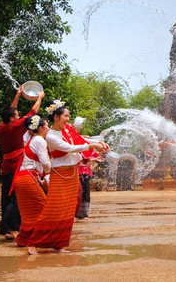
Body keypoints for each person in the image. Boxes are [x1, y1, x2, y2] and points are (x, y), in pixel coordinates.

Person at [28, 100, 107, 251]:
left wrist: (98, 142)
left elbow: (81, 140)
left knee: (68, 211)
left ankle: (59, 243)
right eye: (66, 115)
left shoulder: (67, 130)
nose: (68, 119)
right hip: (60, 175)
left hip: (72, 173)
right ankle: (33, 242)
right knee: (53, 209)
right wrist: (92, 146)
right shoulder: (51, 136)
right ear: (56, 117)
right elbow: (70, 148)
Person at [0, 87, 45, 240]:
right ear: (12, 119)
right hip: (17, 165)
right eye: (16, 115)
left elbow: (12, 110)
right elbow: (32, 115)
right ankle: (12, 227)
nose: (18, 115)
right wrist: (40, 98)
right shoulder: (15, 127)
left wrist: (17, 95)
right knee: (15, 198)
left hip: (6, 165)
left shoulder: (1, 127)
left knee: (6, 197)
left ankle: (6, 228)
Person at [13, 115, 51, 254]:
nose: (48, 128)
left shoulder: (33, 139)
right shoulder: (40, 140)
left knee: (28, 212)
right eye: (47, 126)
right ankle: (33, 243)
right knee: (44, 208)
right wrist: (53, 171)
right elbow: (45, 162)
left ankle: (22, 240)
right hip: (28, 178)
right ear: (40, 128)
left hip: (23, 178)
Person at [73, 117, 102, 220]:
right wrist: (91, 158)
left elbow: (90, 154)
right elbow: (79, 155)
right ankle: (79, 213)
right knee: (81, 191)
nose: (82, 127)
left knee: (85, 191)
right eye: (81, 125)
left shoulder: (82, 141)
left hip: (84, 170)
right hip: (78, 170)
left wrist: (94, 157)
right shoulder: (77, 141)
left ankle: (83, 213)